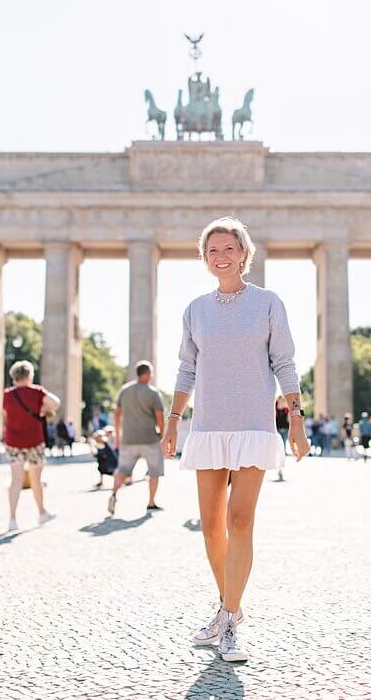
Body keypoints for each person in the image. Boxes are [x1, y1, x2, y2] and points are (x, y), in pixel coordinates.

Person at [160, 216, 308, 665]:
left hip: (253, 425)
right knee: (211, 528)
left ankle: (227, 620)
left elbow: (284, 361)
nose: (221, 256)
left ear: (245, 253)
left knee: (241, 522)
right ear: (204, 258)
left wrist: (296, 419)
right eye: (213, 251)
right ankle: (232, 605)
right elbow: (187, 368)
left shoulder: (267, 303)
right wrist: (173, 420)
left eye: (229, 248)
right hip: (207, 427)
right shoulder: (195, 310)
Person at [1, 361, 59, 531]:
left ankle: (12, 519)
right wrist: (43, 407)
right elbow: (56, 402)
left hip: (13, 441)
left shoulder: (7, 394)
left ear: (14, 377)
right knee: (36, 479)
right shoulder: (37, 392)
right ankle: (41, 513)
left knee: (16, 480)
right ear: (30, 375)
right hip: (34, 440)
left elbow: (5, 415)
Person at [108, 361, 167, 516]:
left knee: (123, 469)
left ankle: (114, 494)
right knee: (154, 471)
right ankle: (151, 502)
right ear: (147, 374)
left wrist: (117, 435)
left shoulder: (124, 390)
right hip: (149, 438)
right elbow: (160, 417)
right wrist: (163, 435)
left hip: (128, 438)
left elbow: (117, 413)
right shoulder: (153, 393)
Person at [274, 395, 290, 481]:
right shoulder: (275, 407)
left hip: (285, 430)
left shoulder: (286, 408)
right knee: (276, 449)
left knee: (282, 449)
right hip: (277, 430)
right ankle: (278, 468)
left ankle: (280, 470)